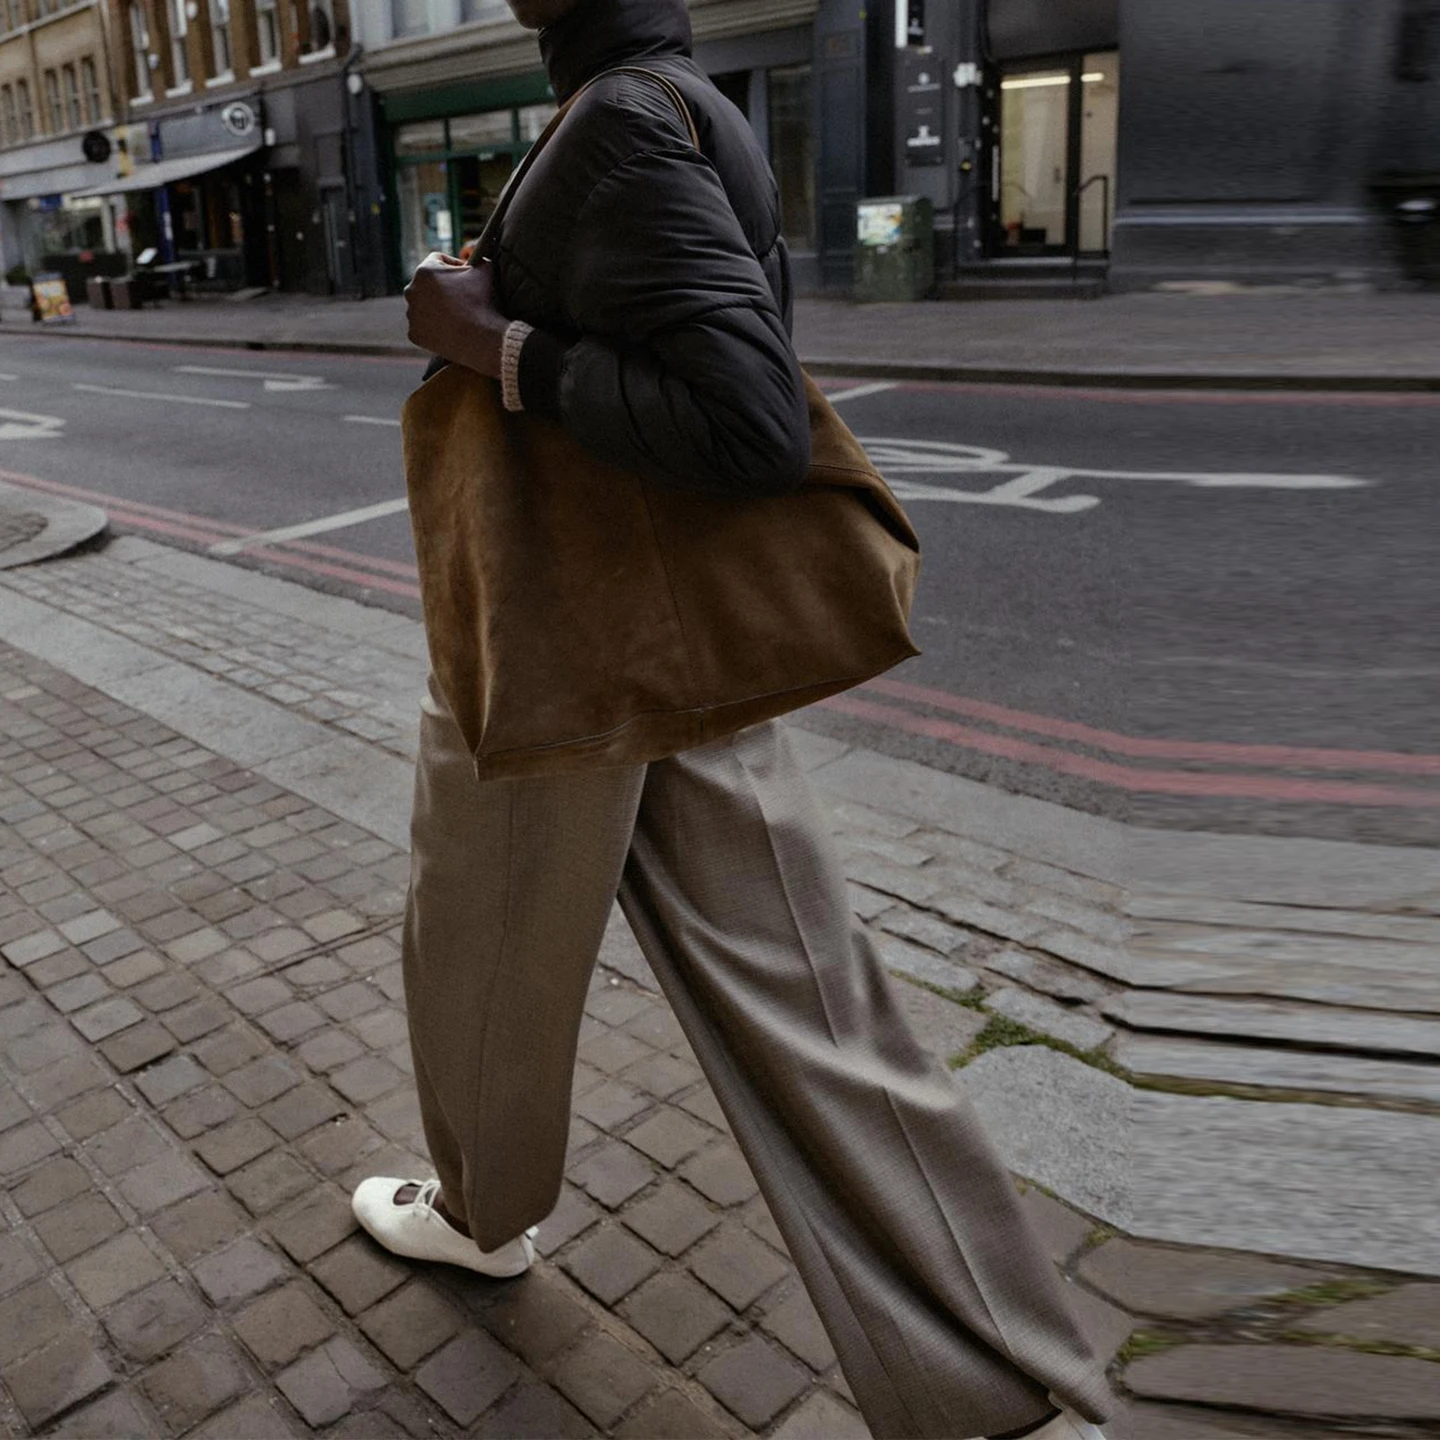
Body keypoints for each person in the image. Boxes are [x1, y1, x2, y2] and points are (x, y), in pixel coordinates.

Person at [352, 3, 1113, 1436]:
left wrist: (489, 342)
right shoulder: (665, 98)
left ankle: (477, 1215)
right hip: (670, 639)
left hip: (569, 644)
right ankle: (992, 1372)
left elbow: (749, 421)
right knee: (813, 1005)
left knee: (477, 948)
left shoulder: (622, 122)